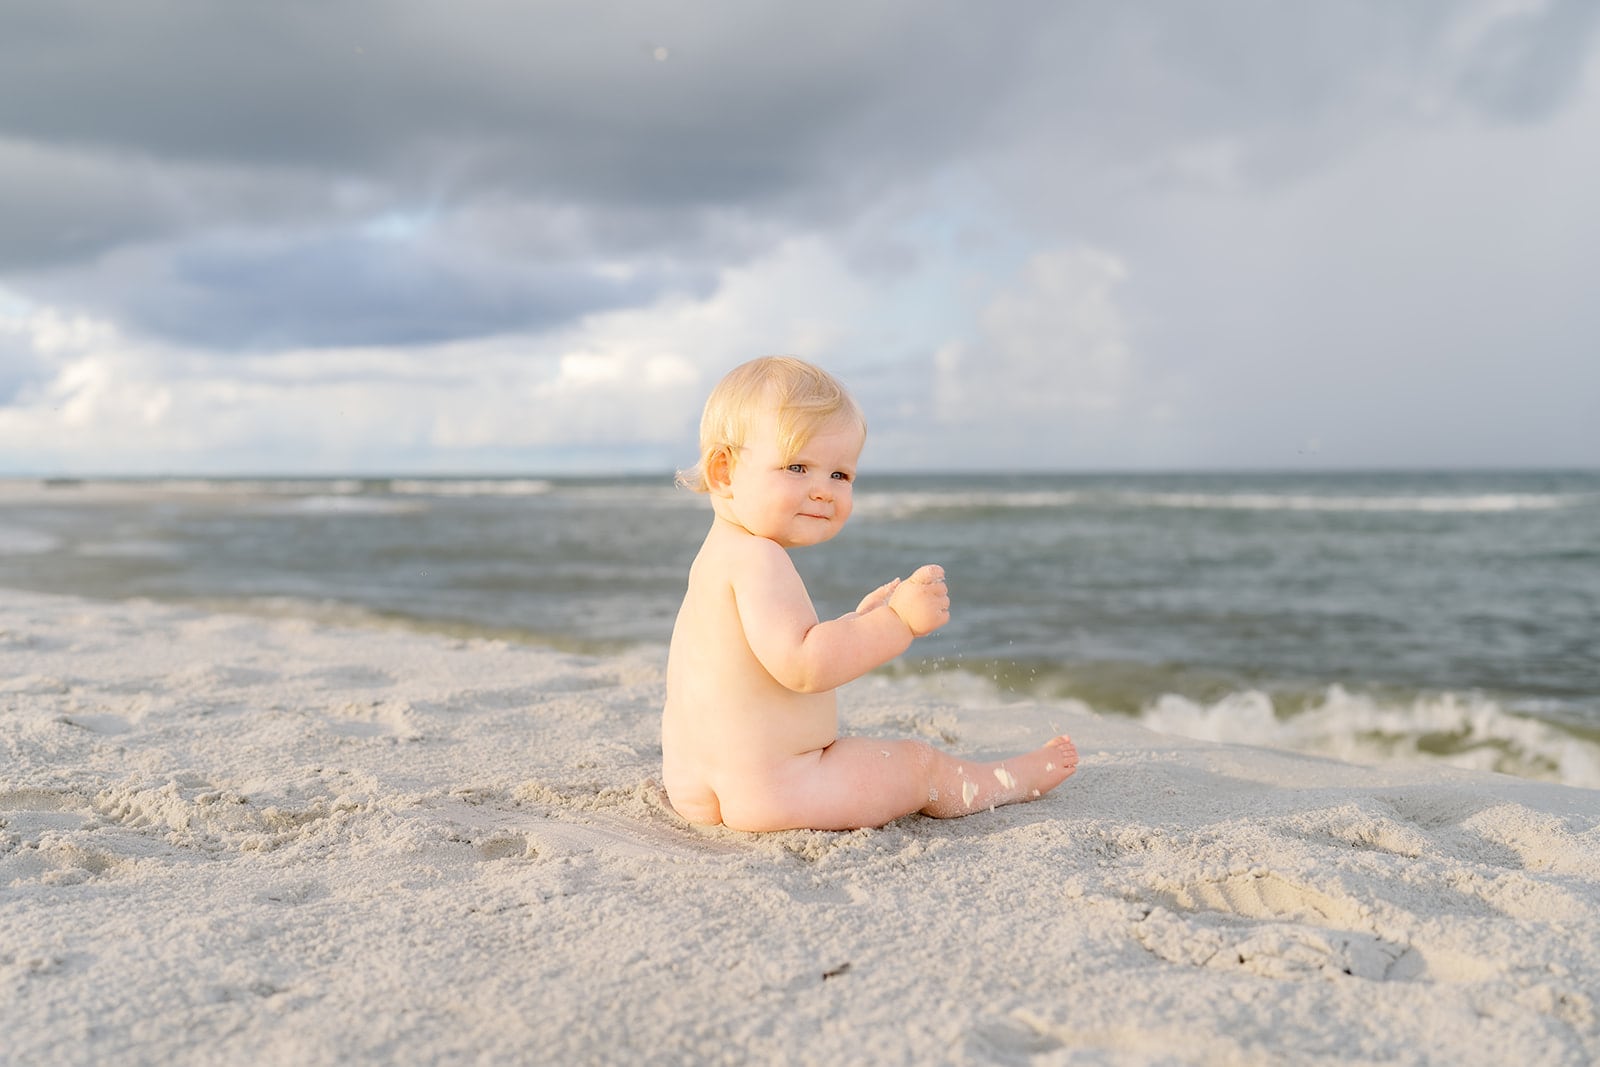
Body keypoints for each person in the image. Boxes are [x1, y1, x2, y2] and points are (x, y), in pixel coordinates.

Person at [660, 356, 1078, 832]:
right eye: (797, 467)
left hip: (697, 789)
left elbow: (768, 654)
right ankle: (1002, 781)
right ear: (724, 471)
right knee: (918, 764)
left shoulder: (717, 557)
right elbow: (803, 667)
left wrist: (852, 627)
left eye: (840, 475)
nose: (823, 491)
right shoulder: (760, 558)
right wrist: (896, 623)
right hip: (779, 788)